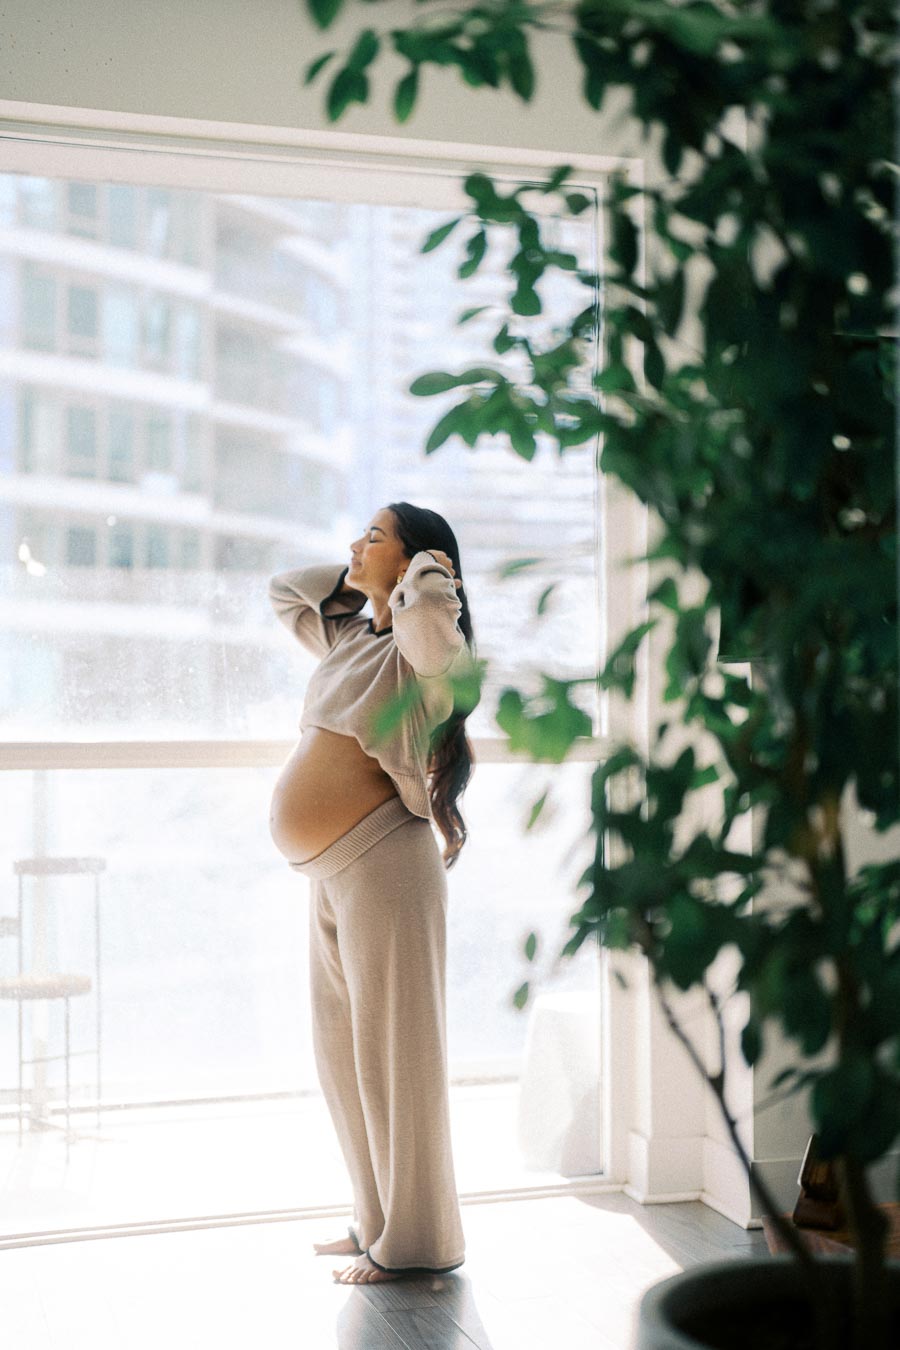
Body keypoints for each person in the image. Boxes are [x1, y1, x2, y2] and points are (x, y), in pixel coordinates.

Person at [267, 501, 478, 1285]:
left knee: (398, 1063)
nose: (354, 543)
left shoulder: (424, 655)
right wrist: (365, 577)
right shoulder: (353, 637)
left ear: (420, 560)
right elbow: (287, 593)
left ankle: (416, 1245)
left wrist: (423, 579)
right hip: (332, 874)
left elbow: (428, 631)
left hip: (386, 867)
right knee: (346, 1062)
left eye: (375, 535)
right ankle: (374, 1222)